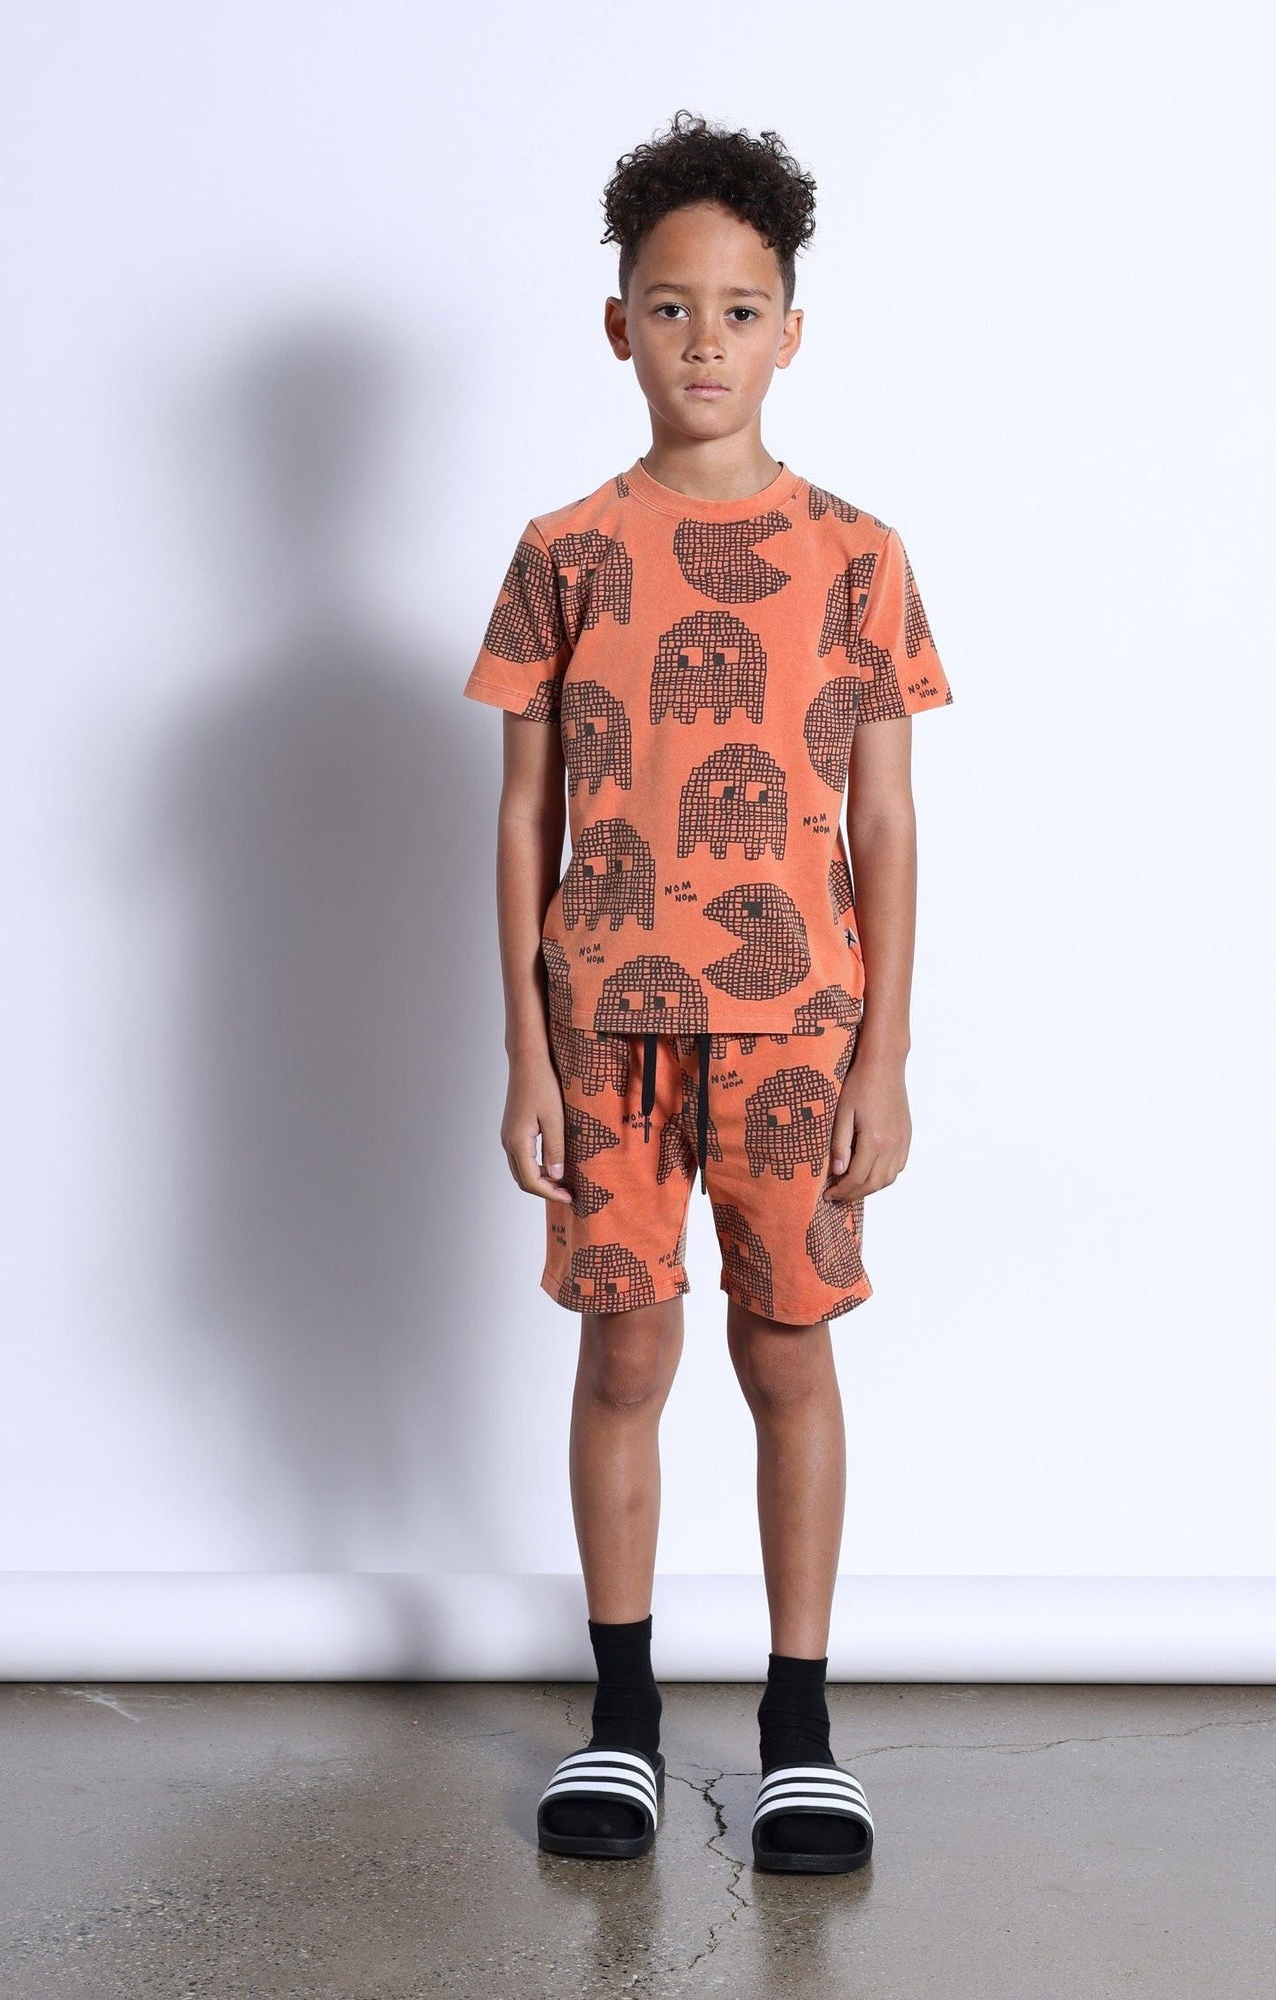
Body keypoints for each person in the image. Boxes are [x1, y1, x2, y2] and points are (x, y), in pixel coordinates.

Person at [461, 111, 953, 1875]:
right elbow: (524, 814)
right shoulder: (566, 550)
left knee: (787, 1349)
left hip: (797, 1032)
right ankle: (621, 1721)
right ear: (618, 325)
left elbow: (884, 820)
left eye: (740, 312)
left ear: (791, 333)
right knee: (625, 1351)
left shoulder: (859, 555)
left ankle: (800, 1729)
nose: (704, 343)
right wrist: (525, 1052)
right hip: (605, 1032)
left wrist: (885, 1057)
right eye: (670, 308)